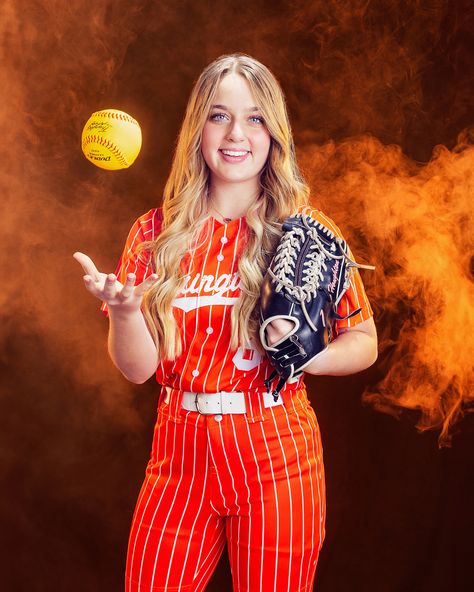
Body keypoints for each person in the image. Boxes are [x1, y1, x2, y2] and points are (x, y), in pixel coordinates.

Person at [74, 53, 377, 592]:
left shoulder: (304, 232)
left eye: (255, 117)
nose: (236, 132)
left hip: (276, 452)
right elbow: (139, 371)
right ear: (199, 128)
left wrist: (308, 355)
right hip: (180, 453)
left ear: (273, 132)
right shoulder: (154, 233)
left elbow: (365, 342)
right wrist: (123, 311)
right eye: (219, 115)